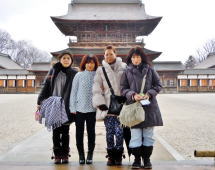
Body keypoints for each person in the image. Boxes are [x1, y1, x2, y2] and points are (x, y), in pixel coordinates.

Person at [120, 46, 163, 169]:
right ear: (130, 59)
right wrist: (133, 95)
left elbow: (158, 85)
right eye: (133, 57)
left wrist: (149, 94)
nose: (136, 59)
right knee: (135, 136)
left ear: (142, 57)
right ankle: (137, 160)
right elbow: (123, 88)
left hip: (149, 107)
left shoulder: (150, 70)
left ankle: (147, 159)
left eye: (138, 56)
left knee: (148, 135)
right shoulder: (126, 71)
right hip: (134, 107)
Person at [37, 52, 77, 164]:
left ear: (71, 60)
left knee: (65, 131)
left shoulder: (74, 73)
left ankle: (65, 154)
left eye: (68, 58)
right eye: (64, 58)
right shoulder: (53, 71)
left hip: (66, 105)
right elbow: (46, 86)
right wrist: (40, 101)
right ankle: (57, 154)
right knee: (55, 131)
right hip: (53, 104)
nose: (66, 60)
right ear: (60, 59)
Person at [92, 45, 127, 166]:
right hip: (107, 104)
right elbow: (96, 87)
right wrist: (99, 103)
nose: (108, 56)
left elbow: (128, 84)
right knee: (109, 132)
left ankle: (119, 155)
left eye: (111, 54)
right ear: (104, 56)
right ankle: (111, 156)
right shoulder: (100, 70)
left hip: (122, 104)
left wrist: (127, 96)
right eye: (106, 54)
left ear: (116, 54)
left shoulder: (124, 67)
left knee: (120, 132)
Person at [69, 55, 99, 165]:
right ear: (84, 64)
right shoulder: (79, 75)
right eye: (88, 62)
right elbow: (74, 92)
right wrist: (72, 107)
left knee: (91, 133)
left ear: (95, 64)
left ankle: (90, 154)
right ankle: (81, 155)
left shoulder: (98, 75)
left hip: (92, 110)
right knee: (79, 133)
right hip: (79, 110)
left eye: (92, 63)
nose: (90, 65)